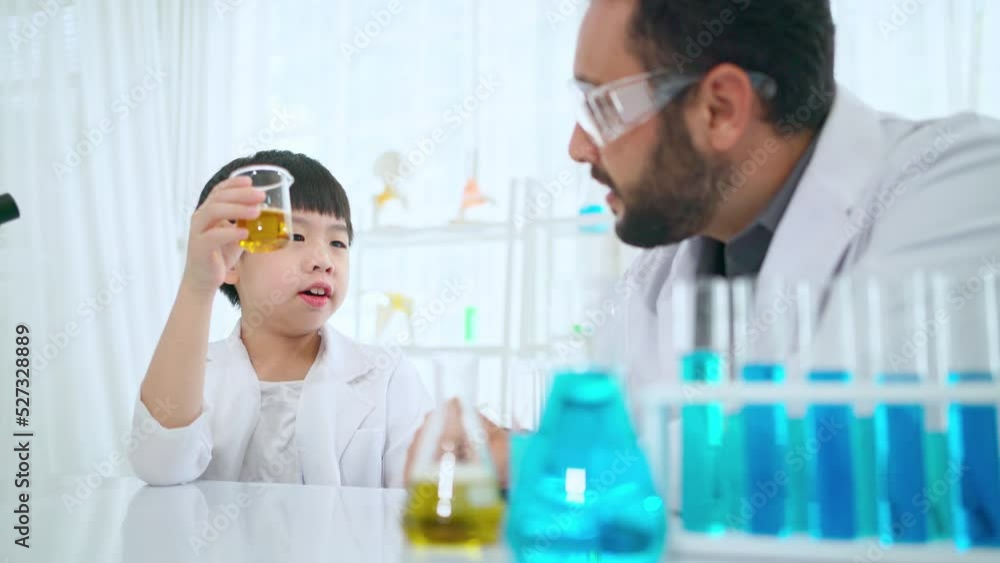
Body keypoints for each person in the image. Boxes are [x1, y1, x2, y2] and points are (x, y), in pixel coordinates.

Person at [407, 0, 1000, 485]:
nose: (578, 148)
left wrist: (537, 462)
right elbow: (634, 450)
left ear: (721, 108)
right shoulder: (666, 263)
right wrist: (518, 448)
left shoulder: (964, 179)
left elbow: (831, 438)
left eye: (604, 107)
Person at [129, 150, 432, 487]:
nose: (323, 260)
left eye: (338, 242)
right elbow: (160, 465)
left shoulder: (387, 376)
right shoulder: (192, 376)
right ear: (232, 262)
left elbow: (421, 498)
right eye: (296, 237)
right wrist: (197, 284)